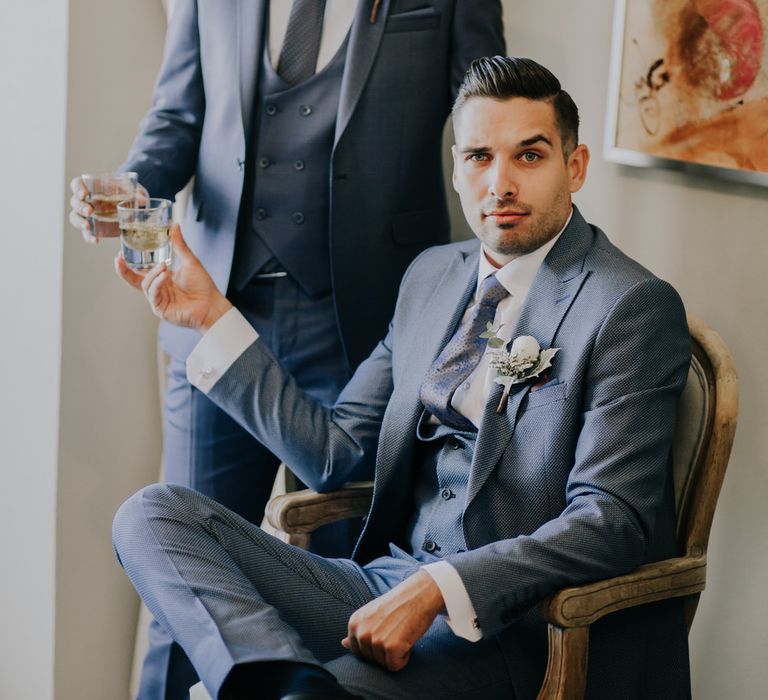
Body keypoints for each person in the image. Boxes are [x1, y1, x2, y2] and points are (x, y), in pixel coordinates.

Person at [113, 56, 693, 700]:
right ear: (456, 168)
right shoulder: (430, 277)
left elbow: (615, 519)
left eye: (528, 157)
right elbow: (334, 454)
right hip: (379, 587)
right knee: (151, 514)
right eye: (478, 157)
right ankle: (277, 680)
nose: (499, 183)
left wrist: (443, 588)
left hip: (517, 628)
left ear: (574, 166)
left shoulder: (629, 304)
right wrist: (209, 316)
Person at [71, 2, 504, 697]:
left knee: (341, 588)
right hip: (213, 308)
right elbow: (178, 116)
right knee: (182, 582)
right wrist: (133, 188)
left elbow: (492, 110)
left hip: (369, 326)